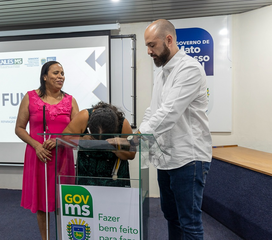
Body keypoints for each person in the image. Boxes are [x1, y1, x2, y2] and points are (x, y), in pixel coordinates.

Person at [138, 19, 212, 239]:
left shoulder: (189, 68)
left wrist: (137, 138)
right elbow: (153, 111)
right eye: (147, 46)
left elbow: (169, 113)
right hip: (166, 158)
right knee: (171, 217)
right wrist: (139, 134)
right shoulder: (161, 73)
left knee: (189, 223)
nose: (149, 51)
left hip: (188, 158)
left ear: (168, 40)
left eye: (152, 45)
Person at [15, 61, 79, 240]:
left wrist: (59, 141)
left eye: (62, 73)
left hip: (62, 158)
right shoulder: (30, 97)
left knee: (62, 202)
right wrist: (36, 145)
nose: (61, 77)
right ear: (44, 76)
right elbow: (19, 128)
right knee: (42, 203)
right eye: (56, 73)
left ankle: (63, 236)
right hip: (39, 157)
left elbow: (78, 133)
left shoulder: (70, 100)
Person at [63, 101, 135, 186]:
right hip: (86, 178)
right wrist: (81, 139)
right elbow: (64, 138)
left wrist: (117, 148)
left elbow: (132, 154)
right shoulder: (84, 116)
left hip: (114, 177)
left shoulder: (123, 124)